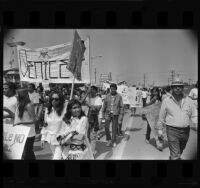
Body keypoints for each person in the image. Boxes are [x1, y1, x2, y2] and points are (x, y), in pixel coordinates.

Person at [157, 77, 197, 160]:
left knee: (180, 151)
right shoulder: (166, 101)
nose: (178, 88)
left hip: (185, 130)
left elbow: (194, 114)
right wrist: (160, 130)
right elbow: (161, 117)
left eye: (180, 86)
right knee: (176, 154)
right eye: (175, 86)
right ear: (172, 88)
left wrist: (196, 124)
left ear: (182, 88)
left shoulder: (189, 100)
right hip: (172, 130)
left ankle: (173, 157)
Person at [40, 91, 67, 160]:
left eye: (56, 99)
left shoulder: (65, 110)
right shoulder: (48, 110)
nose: (54, 101)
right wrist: (43, 138)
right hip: (51, 139)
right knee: (58, 156)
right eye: (52, 99)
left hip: (61, 139)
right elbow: (45, 124)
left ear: (60, 100)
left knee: (56, 158)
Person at [13, 88, 37, 160]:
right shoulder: (19, 104)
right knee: (22, 153)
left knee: (28, 152)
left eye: (18, 94)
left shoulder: (29, 105)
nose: (16, 95)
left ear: (22, 95)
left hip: (29, 133)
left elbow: (34, 120)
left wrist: (20, 123)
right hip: (20, 131)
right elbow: (16, 117)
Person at [84, 86, 103, 155]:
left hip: (94, 120)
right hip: (86, 120)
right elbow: (80, 102)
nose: (91, 91)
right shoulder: (87, 98)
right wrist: (86, 93)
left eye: (92, 90)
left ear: (96, 91)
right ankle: (89, 149)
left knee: (93, 136)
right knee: (87, 136)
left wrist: (89, 105)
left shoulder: (99, 99)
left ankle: (91, 153)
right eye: (90, 90)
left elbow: (96, 109)